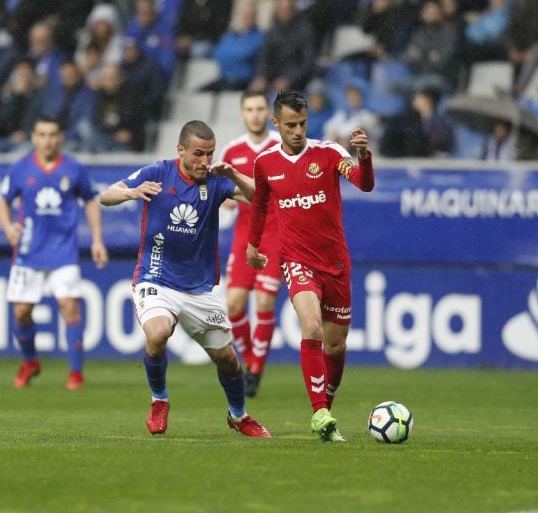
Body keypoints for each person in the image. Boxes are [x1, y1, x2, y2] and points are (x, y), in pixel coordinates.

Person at [98, 120, 271, 438]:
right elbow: (105, 196)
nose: (205, 161)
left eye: (210, 154)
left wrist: (232, 174)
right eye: (198, 154)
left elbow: (263, 199)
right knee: (159, 333)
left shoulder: (218, 181)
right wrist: (132, 193)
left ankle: (238, 415)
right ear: (180, 150)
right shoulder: (158, 172)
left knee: (228, 360)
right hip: (156, 278)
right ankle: (159, 400)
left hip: (199, 286)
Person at [246, 91, 375, 442]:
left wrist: (364, 156)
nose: (298, 131)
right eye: (290, 125)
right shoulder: (265, 163)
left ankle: (326, 410)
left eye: (302, 123)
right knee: (312, 327)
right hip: (297, 261)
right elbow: (259, 206)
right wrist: (253, 244)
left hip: (335, 262)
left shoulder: (330, 153)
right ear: (277, 124)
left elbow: (364, 184)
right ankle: (319, 412)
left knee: (336, 347)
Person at [0, 115, 109, 390]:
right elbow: (3, 201)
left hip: (63, 251)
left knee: (69, 307)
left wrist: (97, 239)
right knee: (22, 312)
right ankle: (30, 361)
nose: (48, 140)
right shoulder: (21, 168)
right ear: (33, 137)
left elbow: (91, 201)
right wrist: (7, 227)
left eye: (53, 134)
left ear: (61, 138)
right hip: (28, 251)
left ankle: (75, 374)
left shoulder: (74, 168)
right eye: (42, 135)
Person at [218, 90, 281, 397]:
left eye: (259, 108)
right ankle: (247, 361)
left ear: (268, 113)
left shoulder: (280, 147)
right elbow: (223, 187)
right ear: (242, 114)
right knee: (233, 305)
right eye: (249, 109)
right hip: (244, 236)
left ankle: (256, 368)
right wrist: (226, 201)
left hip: (274, 234)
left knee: (265, 302)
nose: (254, 114)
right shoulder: (233, 151)